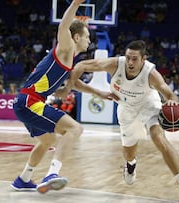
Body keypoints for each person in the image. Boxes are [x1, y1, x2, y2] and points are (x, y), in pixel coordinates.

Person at [62, 40, 179, 202]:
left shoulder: (151, 73)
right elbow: (80, 66)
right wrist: (69, 87)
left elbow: (170, 95)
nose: (130, 62)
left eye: (134, 59)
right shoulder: (114, 64)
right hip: (127, 111)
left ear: (143, 59)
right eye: (128, 58)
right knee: (129, 152)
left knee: (158, 138)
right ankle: (131, 164)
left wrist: (171, 101)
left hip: (149, 106)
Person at [10, 0, 114, 194]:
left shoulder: (70, 60)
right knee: (75, 129)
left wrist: (100, 93)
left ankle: (23, 179)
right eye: (87, 36)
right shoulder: (65, 49)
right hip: (30, 102)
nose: (89, 40)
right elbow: (63, 26)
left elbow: (76, 84)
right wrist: (75, 3)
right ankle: (52, 174)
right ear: (76, 37)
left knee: (47, 141)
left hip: (26, 102)